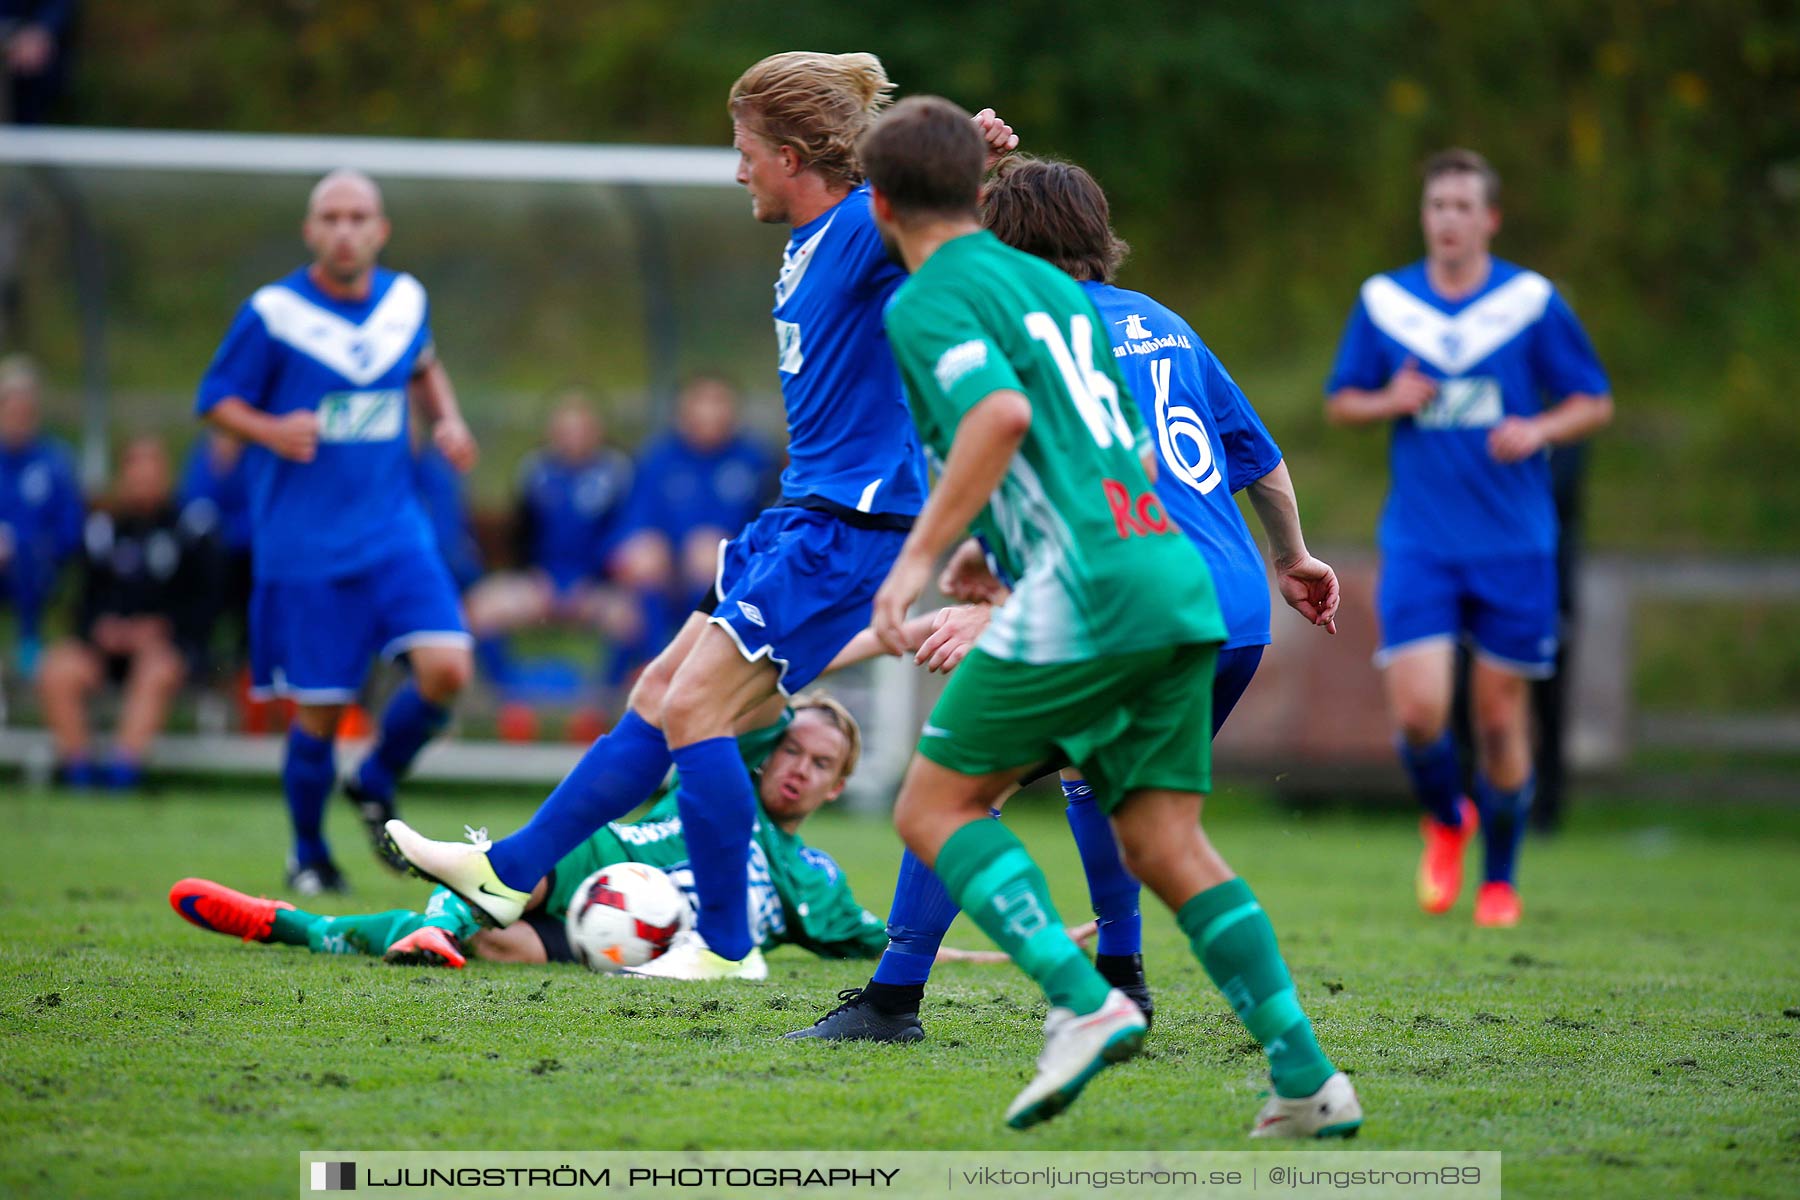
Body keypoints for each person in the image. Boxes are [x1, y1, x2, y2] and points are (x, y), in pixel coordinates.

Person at [383, 53, 1018, 982]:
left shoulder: (854, 227)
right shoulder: (810, 241)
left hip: (845, 530)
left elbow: (922, 214)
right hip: (802, 520)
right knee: (656, 694)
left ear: (794, 156)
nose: (736, 171)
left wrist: (971, 156)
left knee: (692, 710)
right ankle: (507, 874)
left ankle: (725, 949)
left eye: (746, 152)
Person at [842, 96, 1359, 1136]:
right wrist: (998, 555)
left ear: (884, 203)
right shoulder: (1077, 304)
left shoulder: (936, 299)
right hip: (1176, 583)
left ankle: (1084, 1003)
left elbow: (998, 417)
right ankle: (1306, 1076)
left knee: (933, 808)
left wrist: (923, 564)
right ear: (975, 192)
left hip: (1093, 591)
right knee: (1166, 844)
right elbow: (1098, 451)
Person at [170, 693, 1057, 970]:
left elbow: (892, 945)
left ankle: (402, 927)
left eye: (821, 764)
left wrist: (1031, 947)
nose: (798, 767)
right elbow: (741, 697)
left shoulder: (814, 880)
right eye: (791, 749)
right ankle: (301, 923)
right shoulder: (718, 777)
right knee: (519, 892)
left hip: (622, 950)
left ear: (839, 786)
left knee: (510, 947)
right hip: (595, 873)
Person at [1324, 148, 1612, 928]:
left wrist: (1540, 428)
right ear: (1425, 217)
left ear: (1490, 218)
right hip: (1420, 539)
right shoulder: (1386, 303)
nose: (1448, 219)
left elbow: (1593, 400)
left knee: (1496, 720)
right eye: (1436, 206)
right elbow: (1341, 402)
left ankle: (1500, 882)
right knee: (1419, 714)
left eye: (1462, 207)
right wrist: (1390, 399)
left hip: (1515, 543)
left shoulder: (1528, 302)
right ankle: (1448, 820)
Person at [195, 169, 479, 895]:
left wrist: (445, 419)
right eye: (331, 217)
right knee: (321, 710)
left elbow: (424, 365)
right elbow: (215, 400)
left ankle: (377, 776)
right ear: (311, 231)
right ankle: (309, 852)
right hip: (307, 547)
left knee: (449, 667)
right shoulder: (275, 312)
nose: (345, 229)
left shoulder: (405, 300)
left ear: (380, 230)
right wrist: (268, 427)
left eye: (359, 217)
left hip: (394, 532)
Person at [36, 436, 205, 788]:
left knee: (155, 669)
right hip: (105, 651)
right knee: (57, 669)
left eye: (151, 471)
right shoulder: (101, 530)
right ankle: (78, 774)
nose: (142, 480)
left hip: (163, 650)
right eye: (135, 472)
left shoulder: (190, 529)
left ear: (166, 476)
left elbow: (204, 604)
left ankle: (122, 774)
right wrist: (100, 629)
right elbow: (82, 602)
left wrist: (160, 628)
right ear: (122, 478)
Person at [461, 393, 645, 686]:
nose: (573, 437)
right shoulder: (535, 470)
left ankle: (602, 700)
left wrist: (592, 582)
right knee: (479, 610)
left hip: (595, 587)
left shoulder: (617, 472)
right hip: (541, 582)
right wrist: (535, 577)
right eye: (565, 429)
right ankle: (510, 693)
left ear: (597, 431)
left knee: (632, 618)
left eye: (581, 428)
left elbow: (622, 535)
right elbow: (520, 536)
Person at [612, 373, 776, 611]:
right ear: (681, 410)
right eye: (701, 401)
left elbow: (771, 527)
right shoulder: (656, 458)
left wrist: (732, 549)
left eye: (718, 401)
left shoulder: (756, 460)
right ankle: (653, 648)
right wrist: (644, 549)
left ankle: (714, 643)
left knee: (710, 558)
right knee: (644, 561)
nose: (709, 411)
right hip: (667, 570)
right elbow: (633, 523)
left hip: (732, 573)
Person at [0, 353, 82, 679]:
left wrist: (20, 544)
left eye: (26, 410)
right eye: (12, 408)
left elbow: (70, 527)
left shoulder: (56, 462)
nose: (19, 417)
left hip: (40, 566)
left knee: (26, 557)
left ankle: (29, 645)